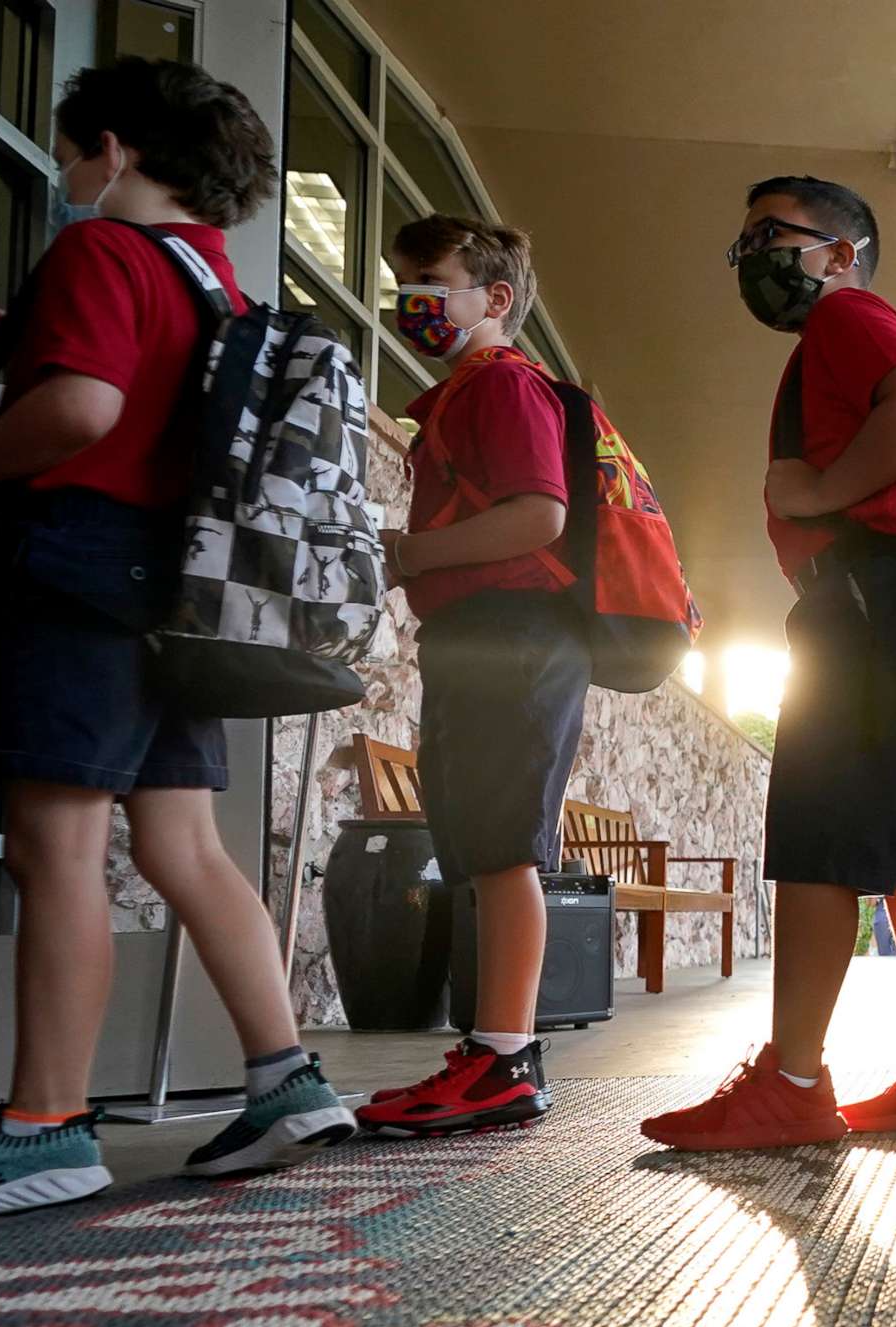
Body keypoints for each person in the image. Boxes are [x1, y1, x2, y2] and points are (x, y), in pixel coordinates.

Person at [0, 58, 353, 1227]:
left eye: (77, 150)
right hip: (182, 587)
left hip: (81, 567)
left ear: (112, 149)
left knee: (51, 841)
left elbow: (82, 413)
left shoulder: (99, 252)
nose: (72, 172)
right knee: (184, 842)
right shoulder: (213, 281)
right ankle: (285, 1076)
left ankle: (42, 1126)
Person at [644, 176, 896, 1151]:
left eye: (774, 233)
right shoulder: (843, 331)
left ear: (842, 251)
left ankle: (793, 1081)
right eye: (745, 237)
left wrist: (819, 493)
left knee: (818, 828)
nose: (753, 254)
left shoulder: (847, 315)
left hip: (866, 604)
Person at [360, 214, 584, 1137]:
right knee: (481, 846)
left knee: (501, 849)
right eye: (402, 281)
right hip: (479, 634)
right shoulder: (458, 395)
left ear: (495, 298)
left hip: (514, 633)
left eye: (431, 280)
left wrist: (410, 552)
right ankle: (495, 1049)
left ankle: (505, 1055)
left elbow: (540, 515)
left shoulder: (502, 386)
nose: (412, 298)